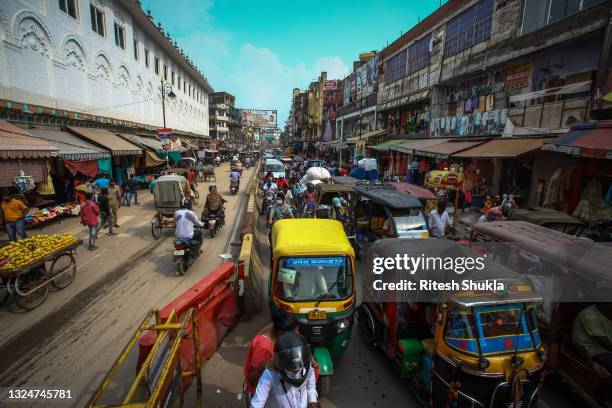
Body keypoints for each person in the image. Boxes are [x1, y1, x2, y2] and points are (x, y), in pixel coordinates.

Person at [250, 331, 318, 408]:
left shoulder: (307, 368)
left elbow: (310, 386)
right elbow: (258, 402)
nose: (296, 369)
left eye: (299, 366)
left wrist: (312, 401)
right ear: (282, 361)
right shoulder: (270, 374)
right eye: (291, 367)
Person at [244, 309, 300, 396]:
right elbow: (253, 380)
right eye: (295, 332)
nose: (297, 334)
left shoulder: (278, 326)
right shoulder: (264, 348)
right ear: (281, 333)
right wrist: (263, 367)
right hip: (261, 392)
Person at [572, 303, 612, 404]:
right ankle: (604, 396)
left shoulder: (607, 313)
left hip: (604, 350)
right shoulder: (590, 316)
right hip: (593, 351)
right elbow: (607, 345)